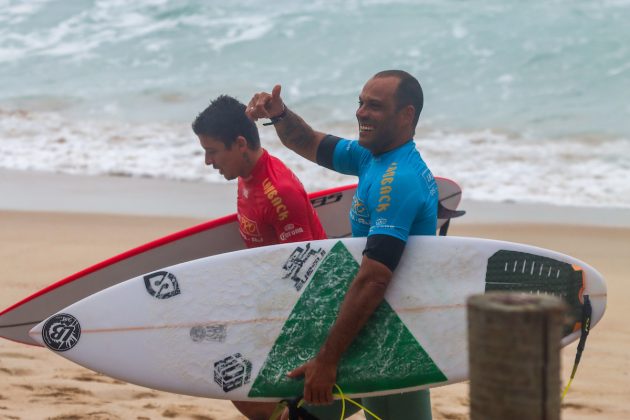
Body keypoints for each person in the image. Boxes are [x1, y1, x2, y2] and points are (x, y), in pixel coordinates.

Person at [246, 70, 437, 420]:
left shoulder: (399, 180)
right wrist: (279, 114)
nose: (361, 113)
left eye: (375, 106)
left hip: (394, 342)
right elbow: (309, 141)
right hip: (370, 330)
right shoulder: (372, 157)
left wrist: (327, 360)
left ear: (406, 115)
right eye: (360, 103)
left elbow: (374, 278)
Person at [192, 95, 327, 419]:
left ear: (239, 144)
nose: (208, 161)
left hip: (300, 311)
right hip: (266, 297)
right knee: (233, 384)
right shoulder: (246, 174)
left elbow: (305, 271)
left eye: (212, 151)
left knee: (243, 389)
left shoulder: (278, 192)